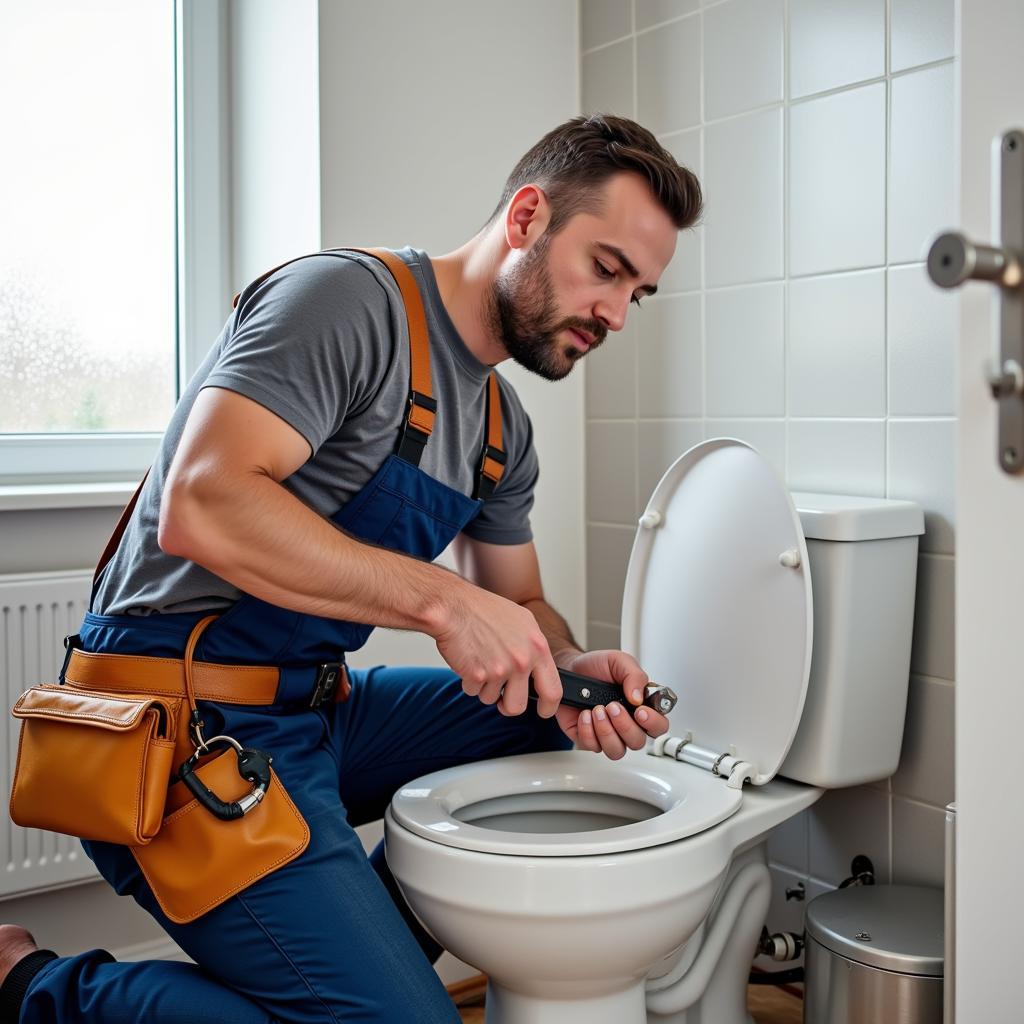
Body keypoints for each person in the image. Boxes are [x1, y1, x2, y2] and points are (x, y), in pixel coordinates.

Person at [0, 113, 702, 1023]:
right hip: (179, 721)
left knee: (543, 718)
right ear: (527, 217)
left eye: (637, 293)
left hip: (313, 714)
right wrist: (444, 603)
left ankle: (351, 956)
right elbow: (203, 503)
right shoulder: (349, 303)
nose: (613, 313)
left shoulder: (501, 431)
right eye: (606, 269)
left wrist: (571, 673)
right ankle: (33, 988)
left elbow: (518, 599)